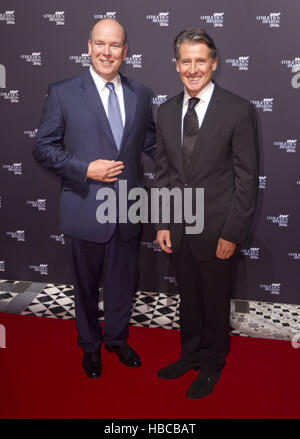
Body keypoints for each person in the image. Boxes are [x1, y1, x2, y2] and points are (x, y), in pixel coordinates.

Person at [33, 19, 156, 378]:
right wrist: (85, 169)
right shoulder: (63, 92)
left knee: (122, 284)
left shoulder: (142, 93)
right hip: (85, 206)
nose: (107, 52)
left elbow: (150, 144)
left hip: (128, 210)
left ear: (125, 51)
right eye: (100, 44)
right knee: (85, 287)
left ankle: (116, 338)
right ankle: (89, 345)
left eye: (115, 45)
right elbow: (43, 148)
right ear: (88, 46)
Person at [154, 28, 259, 398]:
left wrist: (232, 233)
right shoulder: (165, 110)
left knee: (214, 301)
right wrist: (164, 223)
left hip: (218, 231)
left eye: (201, 61)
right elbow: (164, 173)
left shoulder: (238, 109)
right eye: (186, 61)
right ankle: (190, 355)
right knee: (189, 301)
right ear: (177, 65)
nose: (193, 68)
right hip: (179, 230)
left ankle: (213, 364)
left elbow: (246, 180)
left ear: (214, 64)